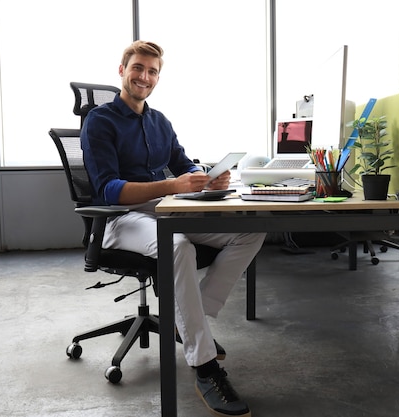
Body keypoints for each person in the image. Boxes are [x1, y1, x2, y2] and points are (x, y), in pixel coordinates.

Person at [80, 40, 265, 417]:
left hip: (162, 210)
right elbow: (109, 190)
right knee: (178, 247)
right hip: (119, 219)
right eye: (138, 68)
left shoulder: (160, 121)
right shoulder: (100, 121)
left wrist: (207, 178)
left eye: (152, 71)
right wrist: (172, 186)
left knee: (252, 228)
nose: (144, 77)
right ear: (122, 70)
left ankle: (191, 318)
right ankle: (205, 365)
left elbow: (184, 163)